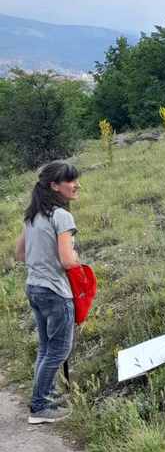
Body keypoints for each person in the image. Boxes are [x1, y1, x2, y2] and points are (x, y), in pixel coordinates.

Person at [14, 161, 81, 424]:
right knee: (58, 350)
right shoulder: (62, 216)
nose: (76, 185)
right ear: (54, 186)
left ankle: (45, 397)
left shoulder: (33, 215)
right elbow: (67, 261)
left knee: (46, 348)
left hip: (34, 287)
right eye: (70, 181)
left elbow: (20, 254)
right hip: (55, 290)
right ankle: (40, 407)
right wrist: (76, 255)